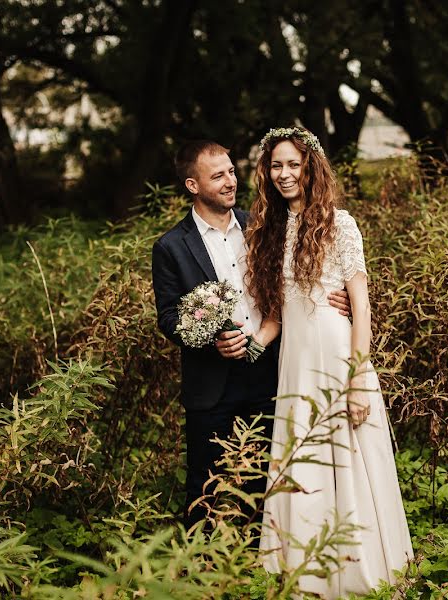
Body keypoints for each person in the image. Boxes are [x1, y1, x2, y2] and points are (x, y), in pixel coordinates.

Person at [243, 127, 413, 597]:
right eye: (276, 166)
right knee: (304, 460)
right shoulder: (271, 231)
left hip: (339, 357)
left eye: (293, 164)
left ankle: (358, 571)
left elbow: (361, 305)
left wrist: (359, 379)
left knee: (348, 458)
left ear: (311, 167)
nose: (284, 174)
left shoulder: (341, 225)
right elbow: (277, 314)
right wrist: (249, 346)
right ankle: (307, 570)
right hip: (295, 362)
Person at [151, 140, 350, 529]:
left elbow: (297, 281)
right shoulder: (171, 247)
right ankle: (203, 569)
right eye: (218, 176)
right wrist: (211, 338)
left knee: (269, 478)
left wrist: (336, 298)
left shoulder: (261, 226)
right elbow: (169, 316)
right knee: (205, 484)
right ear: (193, 185)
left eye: (231, 171)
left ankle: (263, 563)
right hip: (212, 383)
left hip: (269, 372)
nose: (230, 181)